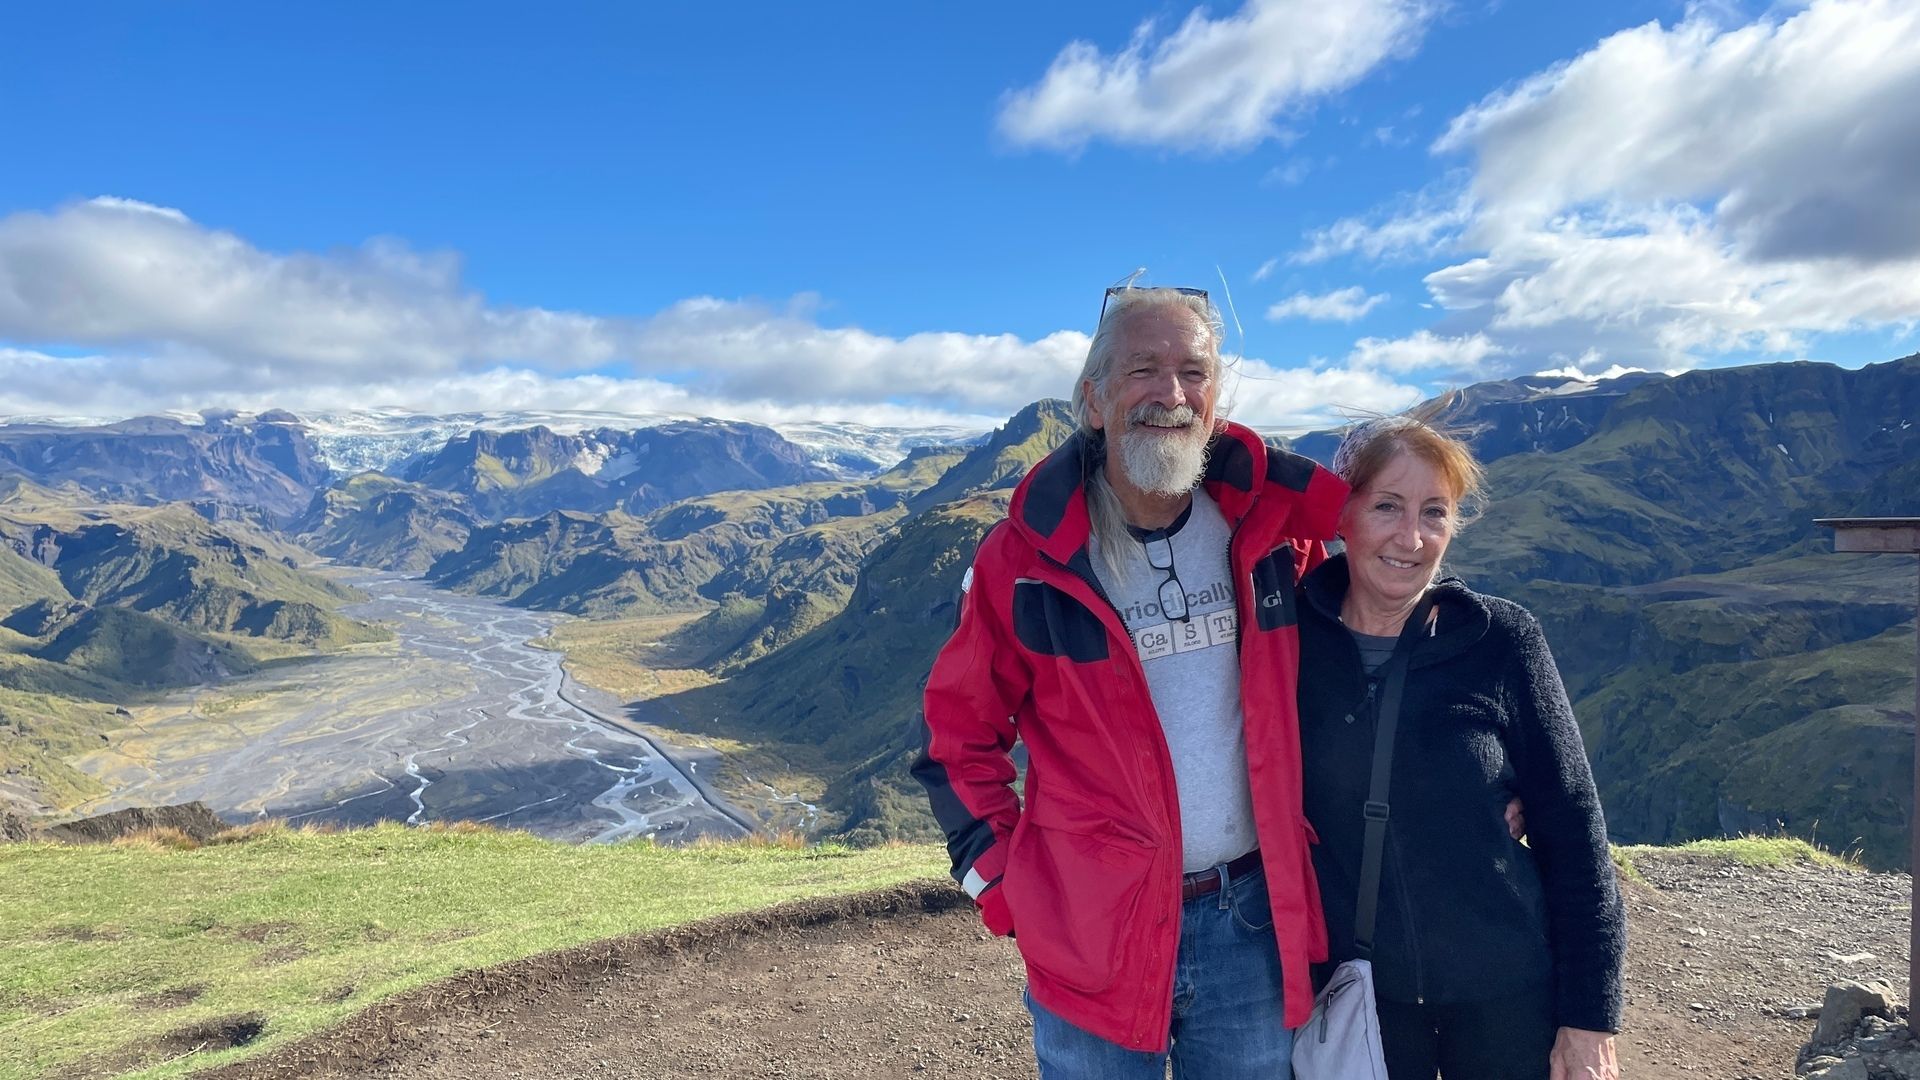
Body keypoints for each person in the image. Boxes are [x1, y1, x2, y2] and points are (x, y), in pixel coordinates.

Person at [912, 284, 1349, 1078]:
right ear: (1093, 398)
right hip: (1090, 935)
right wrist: (1011, 892)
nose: (1171, 394)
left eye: (1193, 371)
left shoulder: (1271, 538)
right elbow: (955, 741)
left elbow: (1356, 678)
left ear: (1215, 398)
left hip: (1253, 927)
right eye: (1143, 368)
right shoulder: (1028, 562)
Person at [1297, 402, 1626, 1080]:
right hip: (1364, 1001)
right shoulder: (1286, 641)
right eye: (1387, 506)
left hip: (1508, 996)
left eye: (1435, 512)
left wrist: (1589, 1018)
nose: (1411, 537)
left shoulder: (1501, 639)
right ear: (1343, 515)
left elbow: (1573, 828)